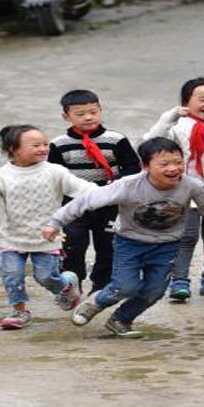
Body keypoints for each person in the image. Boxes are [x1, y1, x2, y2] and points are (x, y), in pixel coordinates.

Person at [42, 137, 204, 338]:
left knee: (155, 291)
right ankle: (97, 302)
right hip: (129, 243)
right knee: (125, 287)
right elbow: (87, 201)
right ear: (145, 166)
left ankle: (121, 319)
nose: (173, 168)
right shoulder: (128, 185)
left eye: (178, 162)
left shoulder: (191, 185)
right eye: (164, 164)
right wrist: (55, 222)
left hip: (168, 246)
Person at [0, 125, 95, 329]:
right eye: (36, 145)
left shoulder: (55, 171)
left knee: (45, 277)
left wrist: (111, 194)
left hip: (47, 237)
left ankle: (67, 284)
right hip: (13, 239)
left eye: (45, 144)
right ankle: (19, 311)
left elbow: (83, 189)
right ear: (13, 149)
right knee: (12, 276)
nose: (43, 149)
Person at [142, 77, 204, 301]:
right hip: (183, 194)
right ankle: (179, 279)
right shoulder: (176, 127)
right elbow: (149, 143)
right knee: (186, 237)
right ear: (185, 102)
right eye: (202, 99)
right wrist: (169, 117)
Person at [49, 89, 141, 294]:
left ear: (100, 110)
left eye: (93, 112)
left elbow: (133, 166)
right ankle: (71, 284)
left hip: (110, 203)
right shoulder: (59, 144)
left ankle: (101, 287)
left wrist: (117, 181)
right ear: (66, 116)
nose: (88, 117)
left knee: (108, 246)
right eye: (80, 114)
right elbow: (53, 174)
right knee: (73, 244)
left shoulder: (116, 139)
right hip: (74, 204)